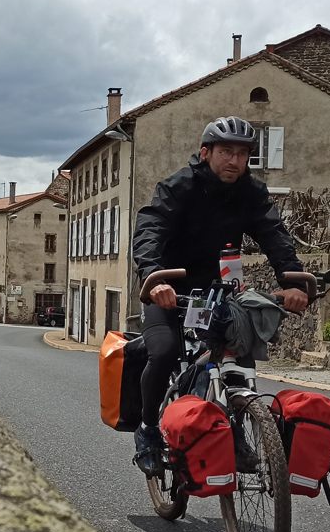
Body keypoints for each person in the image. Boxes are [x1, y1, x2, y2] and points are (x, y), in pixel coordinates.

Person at [131, 116, 308, 476]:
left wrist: (293, 282)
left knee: (237, 350)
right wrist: (152, 277)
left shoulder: (251, 193)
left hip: (214, 291)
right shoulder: (179, 186)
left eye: (242, 154)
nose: (234, 161)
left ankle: (235, 426)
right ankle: (148, 429)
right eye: (226, 151)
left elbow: (274, 235)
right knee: (164, 351)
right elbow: (151, 228)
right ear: (205, 152)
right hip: (168, 287)